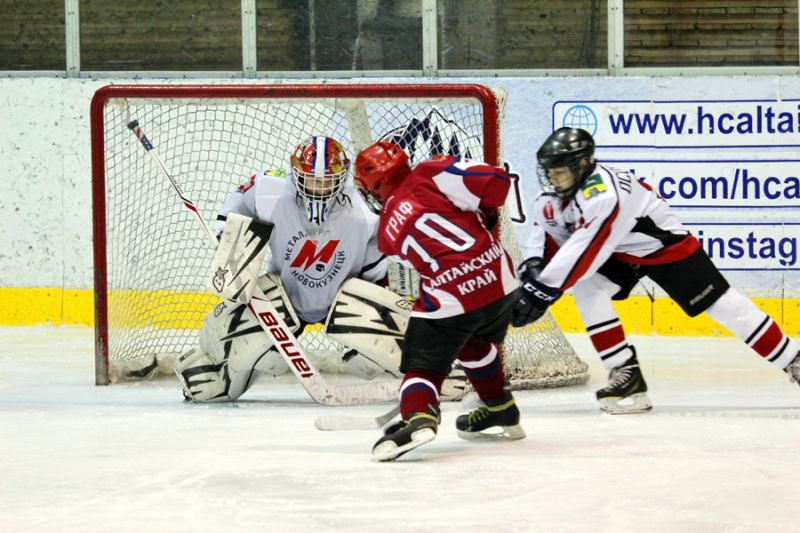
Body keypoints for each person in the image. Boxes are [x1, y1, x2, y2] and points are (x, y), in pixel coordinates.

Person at [512, 127, 800, 414]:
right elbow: (545, 229)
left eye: (559, 172)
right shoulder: (553, 193)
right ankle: (625, 374)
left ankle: (793, 360)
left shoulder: (603, 195)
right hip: (618, 251)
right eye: (549, 172)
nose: (552, 178)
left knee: (724, 306)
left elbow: (584, 250)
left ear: (583, 164)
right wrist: (535, 265)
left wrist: (541, 290)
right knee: (589, 289)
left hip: (662, 246)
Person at [175, 136, 394, 402]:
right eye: (312, 180)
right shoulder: (270, 189)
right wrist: (229, 239)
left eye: (327, 181)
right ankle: (219, 371)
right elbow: (235, 210)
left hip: (345, 299)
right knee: (220, 381)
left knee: (393, 333)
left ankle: (420, 376)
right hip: (284, 298)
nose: (319, 188)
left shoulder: (365, 205)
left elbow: (376, 270)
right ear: (294, 173)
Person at [354, 141, 526, 462]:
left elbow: (420, 256)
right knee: (472, 344)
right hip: (500, 282)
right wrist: (485, 212)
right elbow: (497, 181)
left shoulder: (385, 233)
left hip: (452, 297)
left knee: (423, 367)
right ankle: (500, 407)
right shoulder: (431, 171)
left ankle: (419, 416)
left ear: (375, 187)